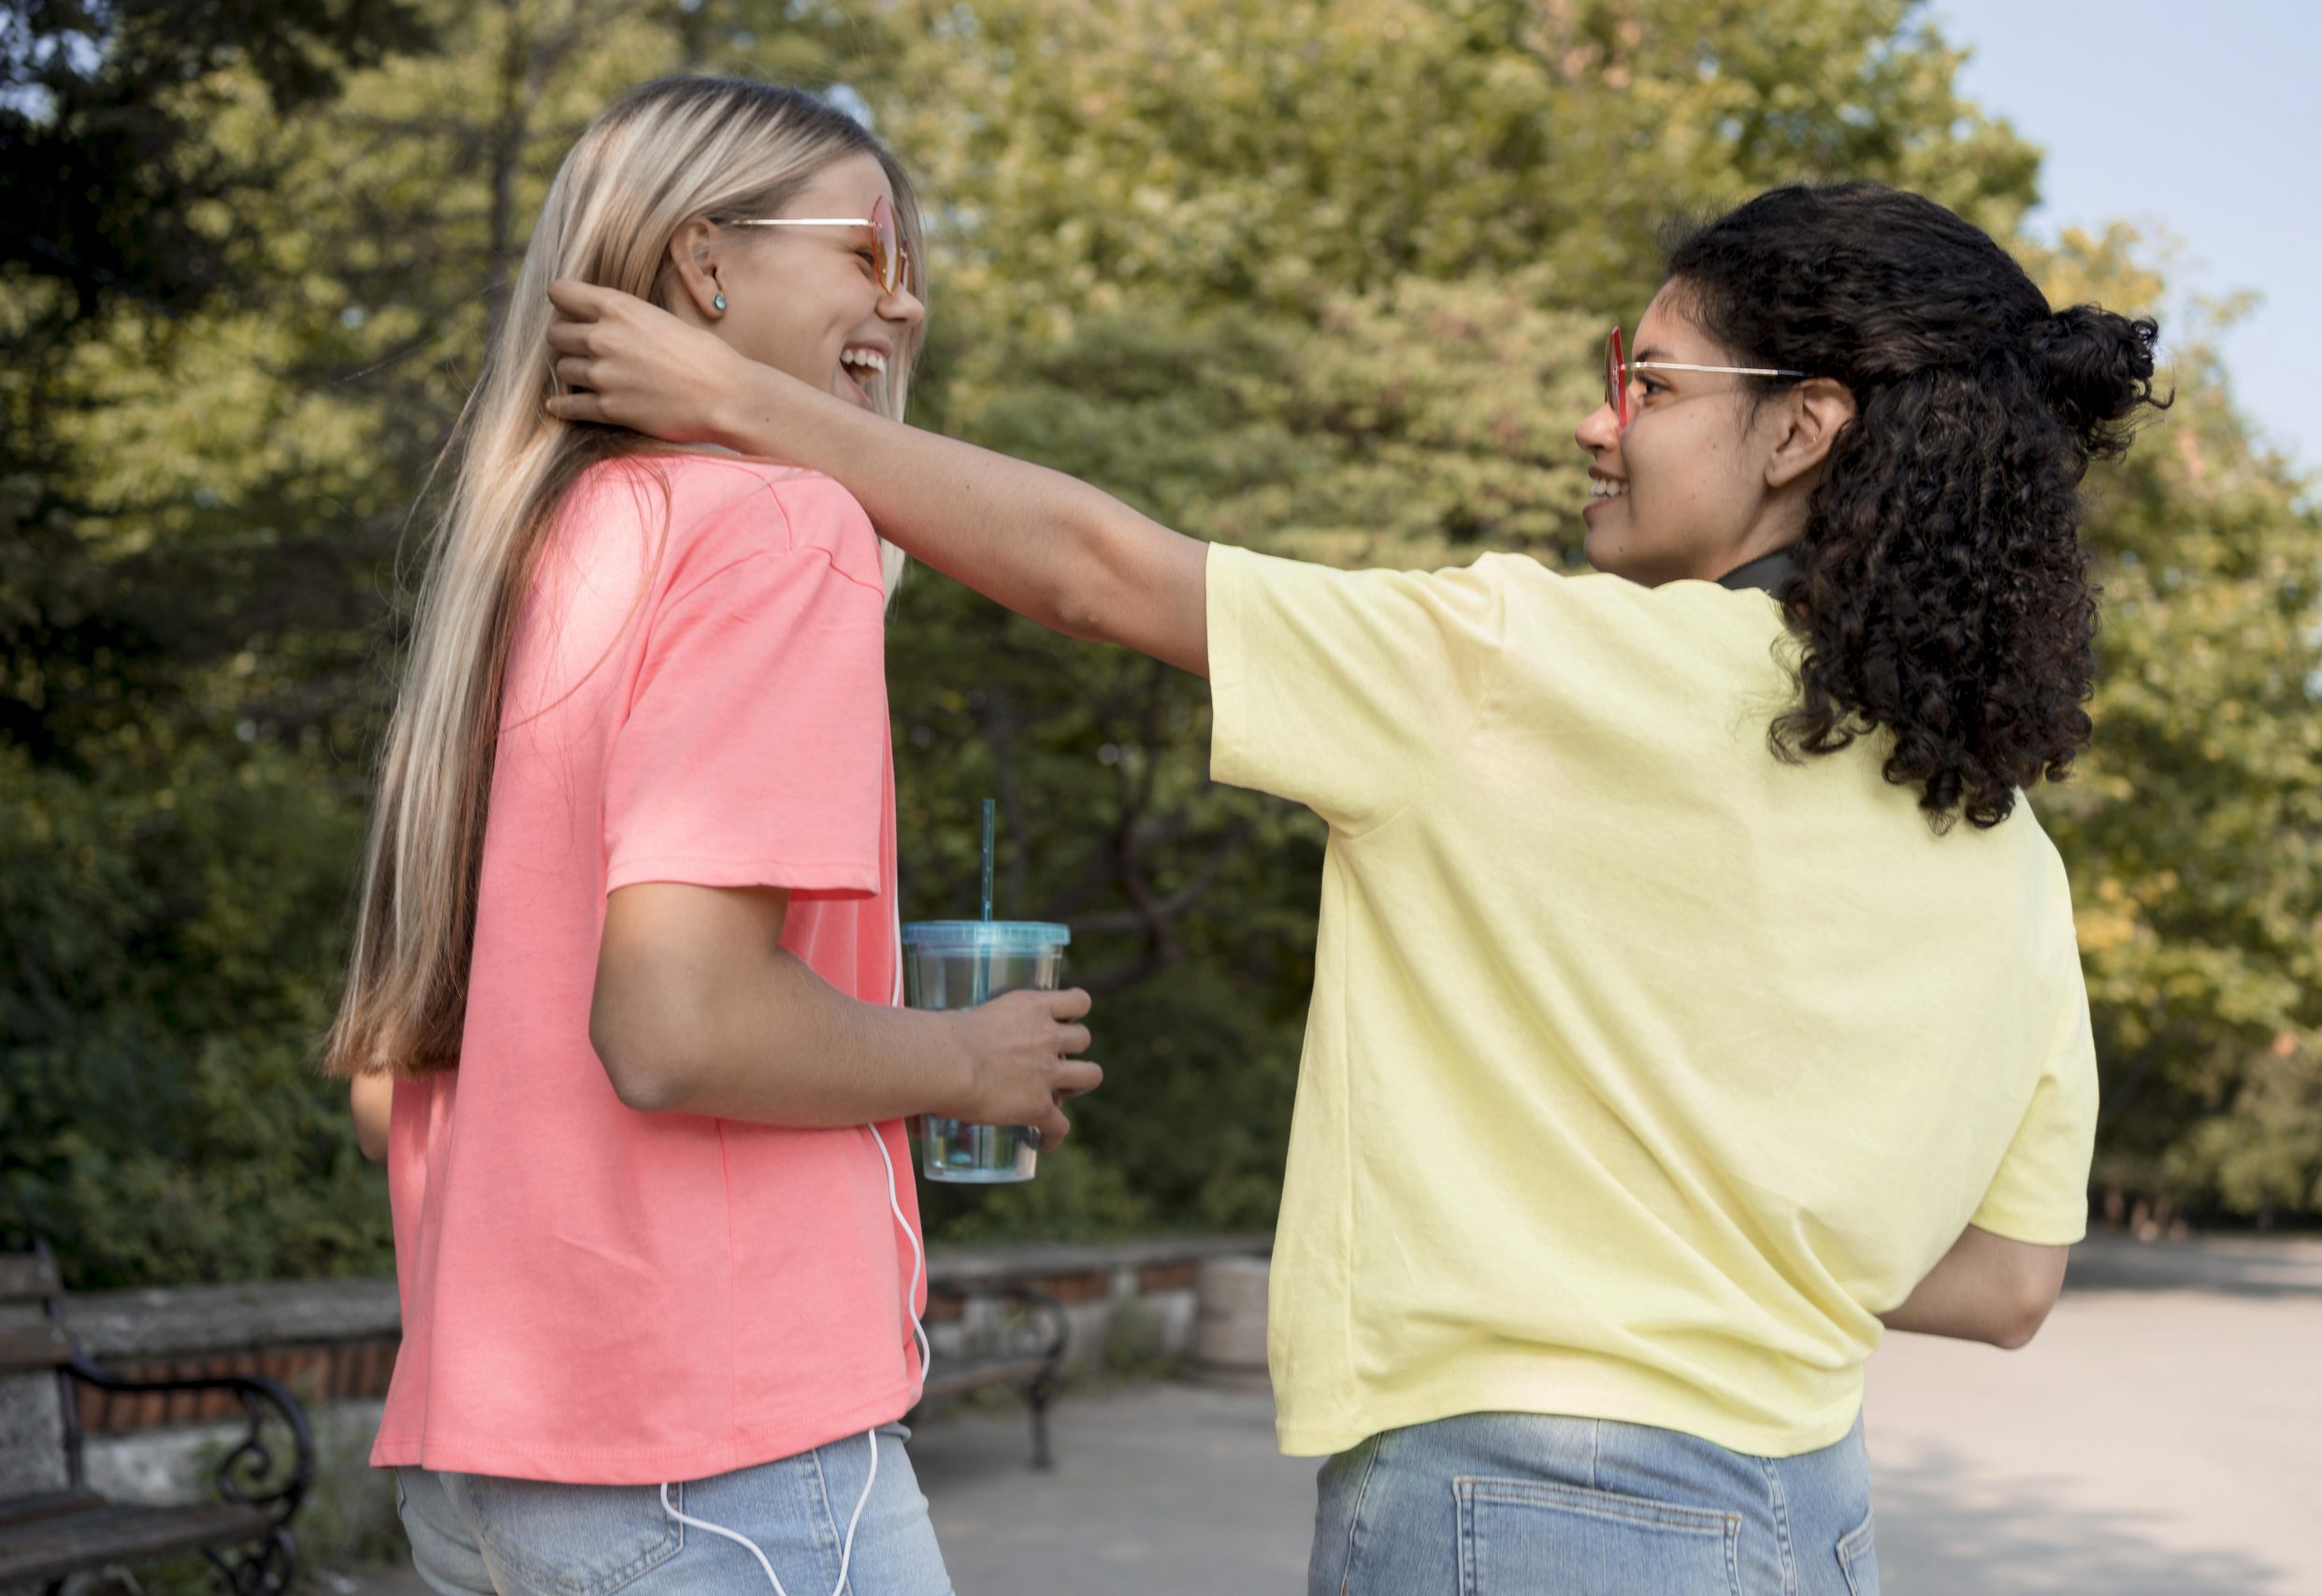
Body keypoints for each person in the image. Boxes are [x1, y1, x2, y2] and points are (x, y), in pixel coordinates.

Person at [544, 180, 2163, 1595]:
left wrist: (736, 398)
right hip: (1814, 1523)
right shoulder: (2003, 840)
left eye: (1649, 381)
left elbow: (1097, 573)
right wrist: (1727, 1241)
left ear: (1802, 428)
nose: (1599, 419)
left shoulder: (1533, 669)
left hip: (1537, 1512)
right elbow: (2010, 1281)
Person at [324, 77, 1101, 1596]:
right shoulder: (766, 531)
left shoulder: (538, 550)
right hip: (717, 1469)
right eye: (871, 252)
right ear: (705, 267)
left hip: (493, 1471)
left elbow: (388, 1099)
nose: (909, 294)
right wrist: (967, 1061)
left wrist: (861, 411)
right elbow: (677, 1025)